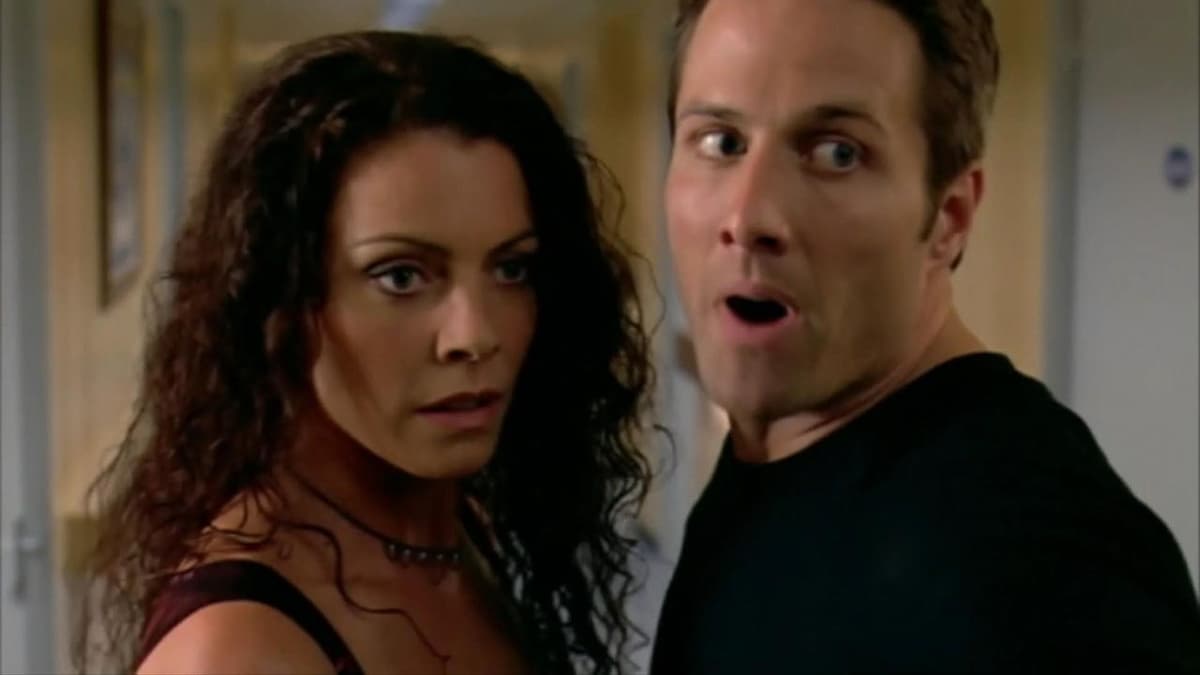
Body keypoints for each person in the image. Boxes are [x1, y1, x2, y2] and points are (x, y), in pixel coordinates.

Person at [76, 31, 657, 675]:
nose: (473, 335)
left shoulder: (454, 527)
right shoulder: (235, 651)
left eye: (511, 269)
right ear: (285, 301)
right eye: (401, 277)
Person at [651, 0, 1200, 672]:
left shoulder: (1034, 565)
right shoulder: (779, 453)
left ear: (950, 218)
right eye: (721, 142)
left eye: (837, 153)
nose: (748, 216)